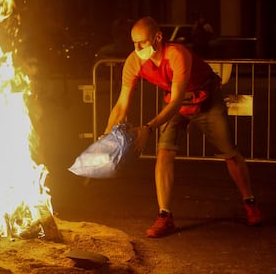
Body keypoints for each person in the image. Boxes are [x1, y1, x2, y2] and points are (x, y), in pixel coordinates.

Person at [103, 16, 262, 238]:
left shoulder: (176, 54)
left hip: (206, 100)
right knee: (164, 153)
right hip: (175, 103)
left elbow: (178, 99)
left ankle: (249, 201)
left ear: (158, 37)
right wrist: (106, 135)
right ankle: (164, 216)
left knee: (230, 153)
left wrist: (148, 128)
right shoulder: (134, 61)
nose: (137, 48)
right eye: (134, 43)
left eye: (142, 42)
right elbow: (121, 104)